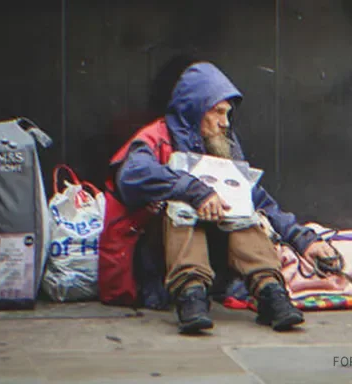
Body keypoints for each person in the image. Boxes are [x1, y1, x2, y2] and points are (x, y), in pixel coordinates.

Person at [98, 61, 336, 334]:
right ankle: (190, 296)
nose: (225, 122)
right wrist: (195, 192)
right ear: (195, 109)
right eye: (218, 112)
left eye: (228, 114)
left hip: (216, 258)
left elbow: (256, 197)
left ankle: (270, 291)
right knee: (183, 206)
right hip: (158, 261)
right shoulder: (156, 137)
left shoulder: (221, 144)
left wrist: (304, 241)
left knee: (240, 206)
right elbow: (132, 176)